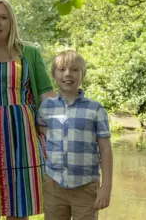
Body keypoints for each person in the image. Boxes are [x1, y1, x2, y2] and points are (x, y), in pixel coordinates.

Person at [0, 0, 56, 220]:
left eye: (3, 17)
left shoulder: (29, 53)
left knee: (19, 207)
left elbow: (47, 96)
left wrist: (58, 132)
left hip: (25, 137)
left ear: (12, 23)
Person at [38, 50, 113, 220]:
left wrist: (106, 187)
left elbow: (106, 150)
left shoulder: (95, 109)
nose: (68, 74)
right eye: (62, 69)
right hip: (54, 184)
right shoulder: (47, 107)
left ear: (82, 74)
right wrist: (52, 136)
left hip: (86, 185)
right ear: (54, 74)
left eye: (74, 70)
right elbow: (40, 126)